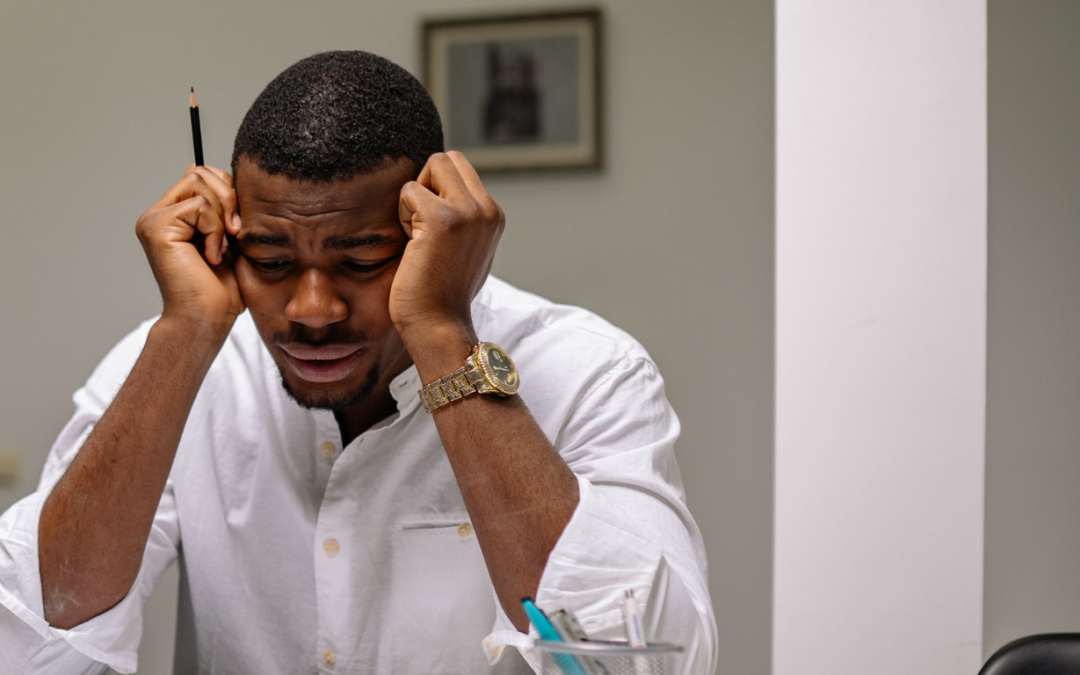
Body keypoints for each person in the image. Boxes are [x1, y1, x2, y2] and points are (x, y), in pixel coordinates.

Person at [0, 51, 717, 675]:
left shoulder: (590, 371)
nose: (313, 309)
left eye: (362, 259)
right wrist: (183, 332)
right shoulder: (182, 362)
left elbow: (637, 658)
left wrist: (440, 332)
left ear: (432, 229)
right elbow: (30, 645)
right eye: (273, 261)